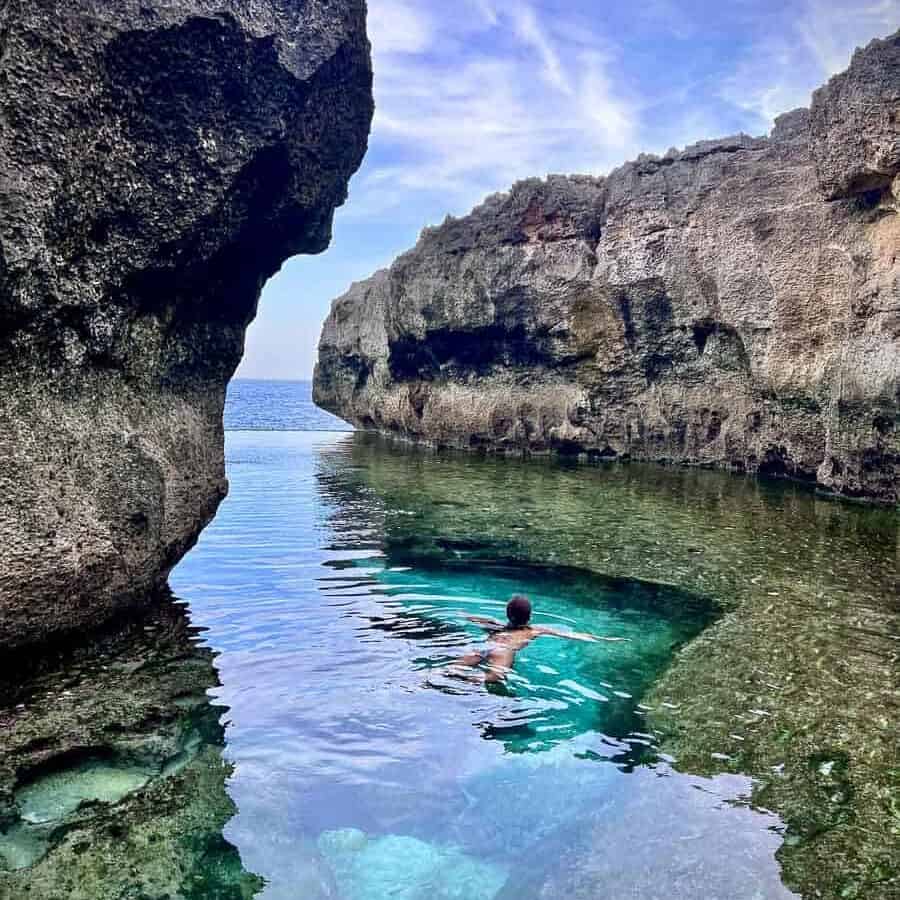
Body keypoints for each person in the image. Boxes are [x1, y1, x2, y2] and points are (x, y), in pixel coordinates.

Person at [449, 594, 626, 684]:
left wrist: (461, 613)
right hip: (503, 651)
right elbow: (570, 634)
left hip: (486, 645)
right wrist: (604, 639)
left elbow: (474, 618)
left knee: (453, 668)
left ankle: (439, 676)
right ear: (530, 615)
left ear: (507, 614)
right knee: (494, 676)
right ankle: (470, 681)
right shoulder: (534, 630)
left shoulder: (495, 625)